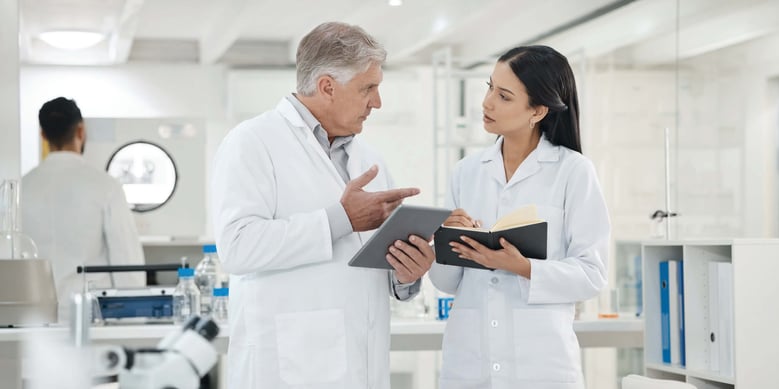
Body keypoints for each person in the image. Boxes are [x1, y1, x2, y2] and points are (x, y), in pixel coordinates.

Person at [210, 22, 435, 389]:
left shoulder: (369, 159)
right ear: (327, 86)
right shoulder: (251, 143)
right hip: (287, 367)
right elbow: (238, 248)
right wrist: (340, 219)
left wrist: (407, 274)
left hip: (363, 366)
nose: (377, 102)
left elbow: (372, 266)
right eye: (368, 88)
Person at [429, 45, 610, 389]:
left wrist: (521, 266)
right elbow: (445, 283)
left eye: (504, 96)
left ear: (538, 111)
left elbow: (592, 274)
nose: (487, 102)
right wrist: (445, 240)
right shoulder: (466, 172)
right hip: (470, 364)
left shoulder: (573, 171)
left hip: (542, 366)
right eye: (489, 87)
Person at [21, 97, 146, 322]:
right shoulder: (105, 186)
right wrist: (133, 321)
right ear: (81, 130)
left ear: (43, 135)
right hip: (89, 318)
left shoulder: (22, 187)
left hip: (35, 318)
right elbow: (127, 263)